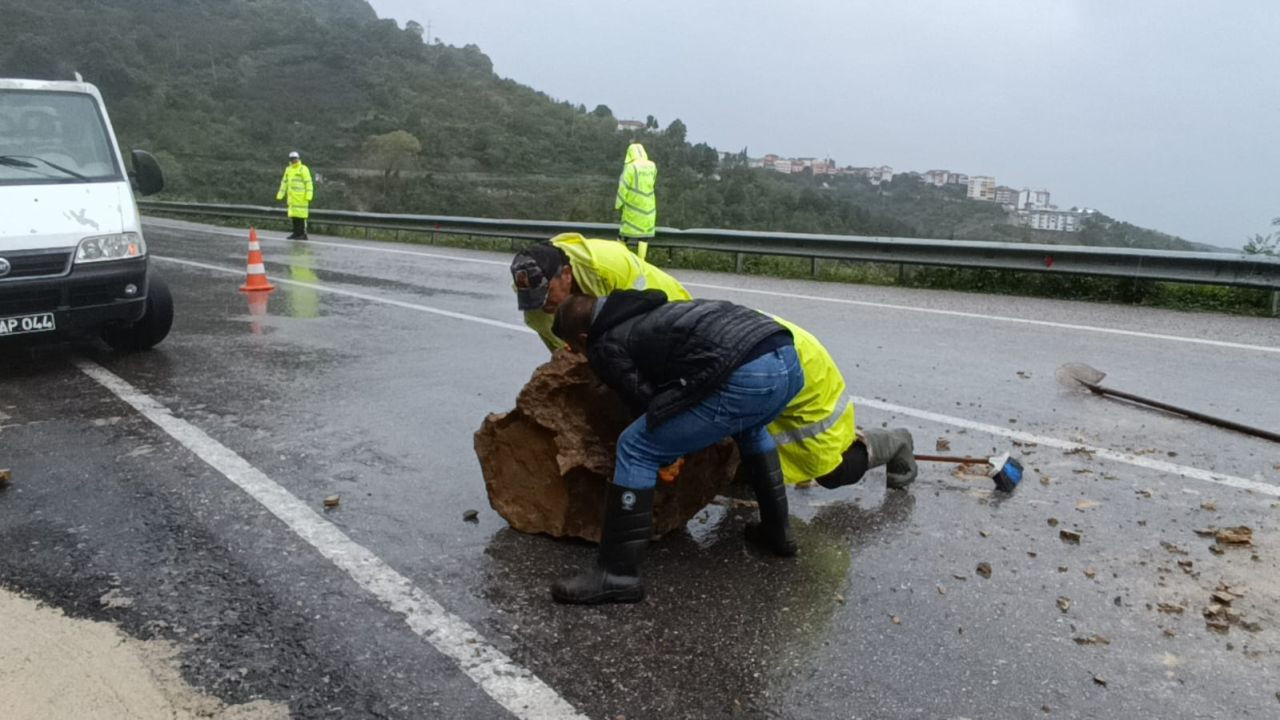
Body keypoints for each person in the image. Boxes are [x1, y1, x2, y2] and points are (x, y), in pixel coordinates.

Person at [549, 290, 804, 604]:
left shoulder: (604, 343)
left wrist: (669, 451)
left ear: (584, 336)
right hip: (786, 359)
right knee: (750, 427)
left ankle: (617, 574)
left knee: (636, 446)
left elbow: (644, 400)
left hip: (747, 375)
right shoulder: (640, 306)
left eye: (575, 347)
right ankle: (778, 532)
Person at [510, 233, 690, 352]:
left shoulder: (605, 267)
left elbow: (641, 321)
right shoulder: (535, 311)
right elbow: (566, 355)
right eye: (532, 298)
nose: (542, 304)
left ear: (566, 274)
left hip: (670, 308)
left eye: (547, 292)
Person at [615, 142, 657, 259]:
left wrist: (618, 204)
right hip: (648, 208)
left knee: (624, 235)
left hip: (633, 207)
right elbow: (652, 183)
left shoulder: (631, 167)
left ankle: (621, 259)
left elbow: (623, 187)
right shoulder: (652, 166)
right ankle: (641, 263)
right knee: (644, 237)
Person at [276, 150, 314, 240]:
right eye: (292, 159)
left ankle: (302, 234)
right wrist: (280, 194)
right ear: (290, 159)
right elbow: (284, 183)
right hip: (292, 198)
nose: (294, 160)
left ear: (298, 158)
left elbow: (308, 183)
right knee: (294, 216)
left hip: (301, 198)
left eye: (295, 158)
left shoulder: (303, 169)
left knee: (301, 217)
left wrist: (309, 195)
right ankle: (296, 233)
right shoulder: (288, 169)